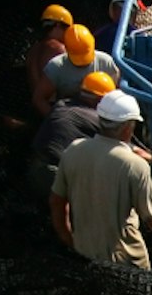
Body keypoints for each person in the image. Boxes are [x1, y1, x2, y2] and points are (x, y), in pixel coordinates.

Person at [50, 90, 152, 267]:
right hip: (125, 260)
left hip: (83, 257)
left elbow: (57, 201)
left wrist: (67, 236)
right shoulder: (134, 164)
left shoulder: (73, 150)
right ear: (128, 127)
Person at [27, 70, 115, 199]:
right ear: (101, 99)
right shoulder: (95, 119)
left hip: (35, 168)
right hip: (57, 174)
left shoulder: (61, 105)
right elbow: (125, 147)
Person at [34, 24, 121, 116]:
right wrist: (55, 118)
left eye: (85, 53)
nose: (82, 60)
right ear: (66, 49)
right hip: (68, 114)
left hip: (102, 115)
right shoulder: (56, 66)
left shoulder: (106, 62)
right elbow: (39, 99)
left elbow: (118, 93)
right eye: (78, 55)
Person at [26, 4, 73, 99]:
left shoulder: (33, 50)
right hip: (55, 107)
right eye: (67, 28)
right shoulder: (58, 48)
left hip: (36, 107)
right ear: (58, 25)